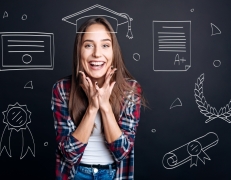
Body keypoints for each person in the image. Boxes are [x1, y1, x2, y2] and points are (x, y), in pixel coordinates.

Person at [51, 17, 145, 180]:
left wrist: (105, 106)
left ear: (113, 51)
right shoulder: (62, 89)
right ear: (79, 50)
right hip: (76, 174)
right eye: (88, 45)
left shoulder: (130, 90)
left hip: (113, 175)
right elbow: (70, 154)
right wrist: (92, 107)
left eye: (105, 45)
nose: (96, 53)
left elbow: (121, 152)